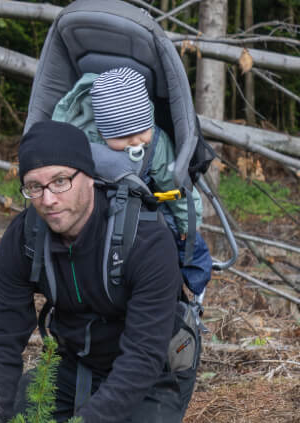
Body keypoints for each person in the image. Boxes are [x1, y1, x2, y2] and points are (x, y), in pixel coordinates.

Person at [0, 119, 199, 423]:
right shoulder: (23, 240)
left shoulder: (144, 238)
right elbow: (3, 340)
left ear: (88, 175)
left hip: (149, 372)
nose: (48, 199)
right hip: (75, 364)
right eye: (34, 187)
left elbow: (144, 355)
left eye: (60, 181)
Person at [53, 66, 212, 296]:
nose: (136, 141)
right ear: (103, 132)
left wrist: (189, 222)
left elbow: (173, 184)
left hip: (143, 201)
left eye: (142, 131)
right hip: (95, 204)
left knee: (183, 237)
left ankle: (194, 283)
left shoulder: (155, 144)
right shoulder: (83, 136)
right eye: (123, 137)